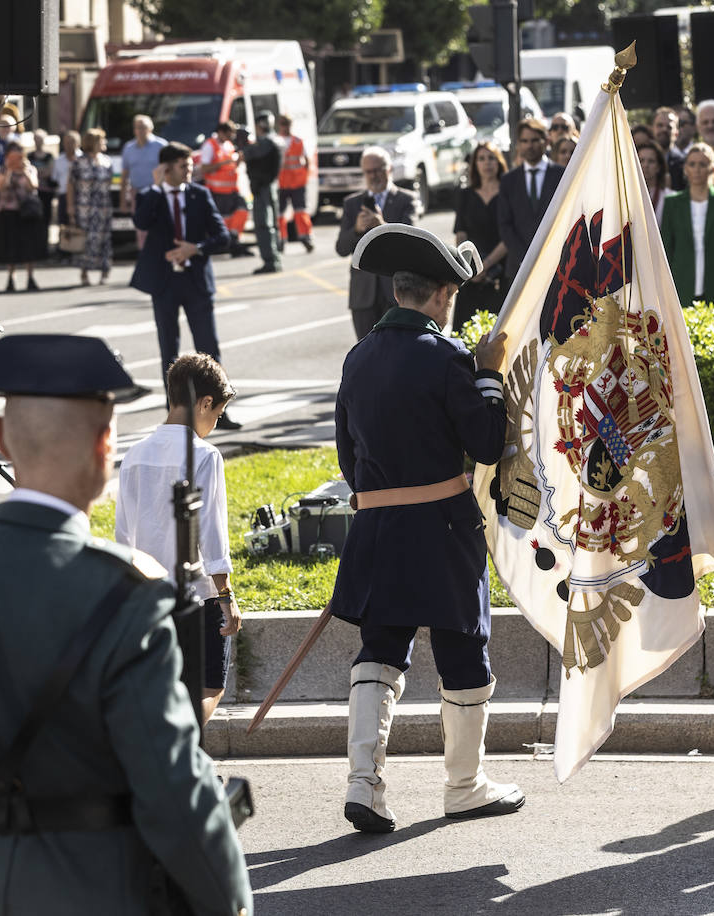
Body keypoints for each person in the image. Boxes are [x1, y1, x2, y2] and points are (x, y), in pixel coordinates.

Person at [0, 333, 253, 915]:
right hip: (91, 889)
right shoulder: (129, 596)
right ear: (105, 444)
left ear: (0, 439)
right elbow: (173, 797)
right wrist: (231, 902)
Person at [333, 222, 523, 833]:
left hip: (379, 525)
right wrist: (488, 374)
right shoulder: (449, 358)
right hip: (442, 526)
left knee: (381, 650)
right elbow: (488, 442)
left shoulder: (357, 357)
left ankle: (364, 783)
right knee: (462, 649)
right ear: (442, 293)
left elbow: (346, 457)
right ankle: (464, 786)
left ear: (397, 292)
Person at [116, 352, 243, 724]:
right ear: (205, 402)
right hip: (195, 597)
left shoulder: (134, 455)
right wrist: (226, 597)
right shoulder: (204, 455)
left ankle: (160, 758)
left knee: (160, 683)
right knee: (208, 686)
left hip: (145, 594)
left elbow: (123, 532)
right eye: (217, 415)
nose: (215, 424)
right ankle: (179, 758)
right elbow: (212, 534)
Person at [130, 143, 239, 433]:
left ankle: (219, 410)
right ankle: (175, 415)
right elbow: (140, 221)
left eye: (190, 166)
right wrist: (154, 188)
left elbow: (222, 236)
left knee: (209, 346)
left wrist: (195, 248)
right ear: (166, 168)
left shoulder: (199, 194)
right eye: (183, 166)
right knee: (169, 348)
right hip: (165, 282)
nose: (189, 171)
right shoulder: (150, 196)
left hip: (195, 281)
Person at [336, 145, 417, 339]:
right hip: (363, 295)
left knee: (398, 352)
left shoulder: (407, 199)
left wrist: (383, 225)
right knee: (367, 356)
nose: (373, 176)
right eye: (368, 172)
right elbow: (341, 248)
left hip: (397, 293)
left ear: (388, 169)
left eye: (378, 170)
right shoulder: (352, 204)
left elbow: (410, 243)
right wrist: (356, 229)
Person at [660, 142, 714, 307]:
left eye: (703, 164)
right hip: (681, 283)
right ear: (685, 169)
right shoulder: (672, 203)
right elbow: (666, 249)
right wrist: (663, 289)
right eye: (692, 164)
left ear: (713, 168)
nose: (697, 169)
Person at [497, 118, 561, 284]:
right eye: (524, 141)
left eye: (534, 140)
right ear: (518, 144)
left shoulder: (562, 175)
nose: (529, 146)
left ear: (546, 141)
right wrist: (525, 258)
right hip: (519, 268)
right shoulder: (508, 181)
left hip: (555, 265)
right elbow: (505, 224)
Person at [453, 141, 509, 330]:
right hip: (470, 274)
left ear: (499, 161)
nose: (487, 163)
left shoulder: (508, 193)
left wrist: (485, 266)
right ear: (475, 164)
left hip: (499, 273)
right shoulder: (465, 195)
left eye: (491, 158)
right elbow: (461, 232)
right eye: (482, 159)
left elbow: (509, 236)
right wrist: (469, 265)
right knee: (466, 331)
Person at [0, 140, 47, 293]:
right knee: (11, 247)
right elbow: (2, 187)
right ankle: (11, 277)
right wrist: (10, 171)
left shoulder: (30, 168)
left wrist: (24, 170)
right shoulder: (4, 170)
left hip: (26, 213)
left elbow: (34, 186)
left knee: (28, 246)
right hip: (8, 211)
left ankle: (30, 277)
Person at [67, 128, 113, 287]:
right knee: (85, 239)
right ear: (93, 143)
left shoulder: (107, 160)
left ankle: (104, 271)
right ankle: (84, 272)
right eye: (102, 140)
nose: (104, 143)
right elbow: (71, 185)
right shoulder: (79, 162)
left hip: (103, 207)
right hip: (84, 206)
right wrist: (70, 207)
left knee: (104, 239)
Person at [197, 122, 250, 258]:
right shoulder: (210, 145)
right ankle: (229, 244)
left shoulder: (228, 145)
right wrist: (223, 163)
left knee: (242, 210)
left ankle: (233, 238)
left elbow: (232, 166)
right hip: (217, 191)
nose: (231, 136)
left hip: (232, 189)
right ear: (221, 132)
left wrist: (239, 160)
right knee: (224, 219)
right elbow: (204, 169)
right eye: (228, 133)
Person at [118, 115, 167, 251]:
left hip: (157, 192)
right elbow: (124, 175)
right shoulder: (128, 148)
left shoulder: (161, 145)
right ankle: (144, 252)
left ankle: (159, 250)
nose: (140, 130)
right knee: (141, 225)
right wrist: (122, 200)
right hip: (137, 193)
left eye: (143, 127)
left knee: (158, 223)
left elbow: (167, 169)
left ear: (150, 129)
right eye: (137, 127)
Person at [244, 112, 285, 274]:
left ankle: (271, 260)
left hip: (263, 187)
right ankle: (274, 258)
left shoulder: (267, 143)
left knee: (264, 225)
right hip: (270, 186)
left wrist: (244, 145)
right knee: (271, 225)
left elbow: (252, 154)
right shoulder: (276, 140)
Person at [276, 113, 316, 253]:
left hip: (297, 183)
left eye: (287, 124)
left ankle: (306, 238)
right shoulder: (276, 141)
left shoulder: (298, 141)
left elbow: (306, 161)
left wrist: (304, 178)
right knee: (279, 214)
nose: (285, 127)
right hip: (281, 184)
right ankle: (280, 240)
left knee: (300, 211)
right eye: (283, 124)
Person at [651, 106, 686, 191]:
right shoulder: (639, 160)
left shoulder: (684, 163)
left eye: (669, 127)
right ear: (652, 129)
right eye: (660, 125)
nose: (664, 129)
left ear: (676, 133)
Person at [51, 130, 80, 231]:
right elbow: (55, 179)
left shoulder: (83, 159)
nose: (69, 145)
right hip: (63, 195)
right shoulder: (58, 160)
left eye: (72, 142)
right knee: (63, 226)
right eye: (67, 142)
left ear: (78, 143)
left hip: (80, 196)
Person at [637, 140, 670, 225]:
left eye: (651, 161)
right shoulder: (625, 196)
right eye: (641, 160)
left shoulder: (668, 197)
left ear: (659, 167)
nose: (645, 165)